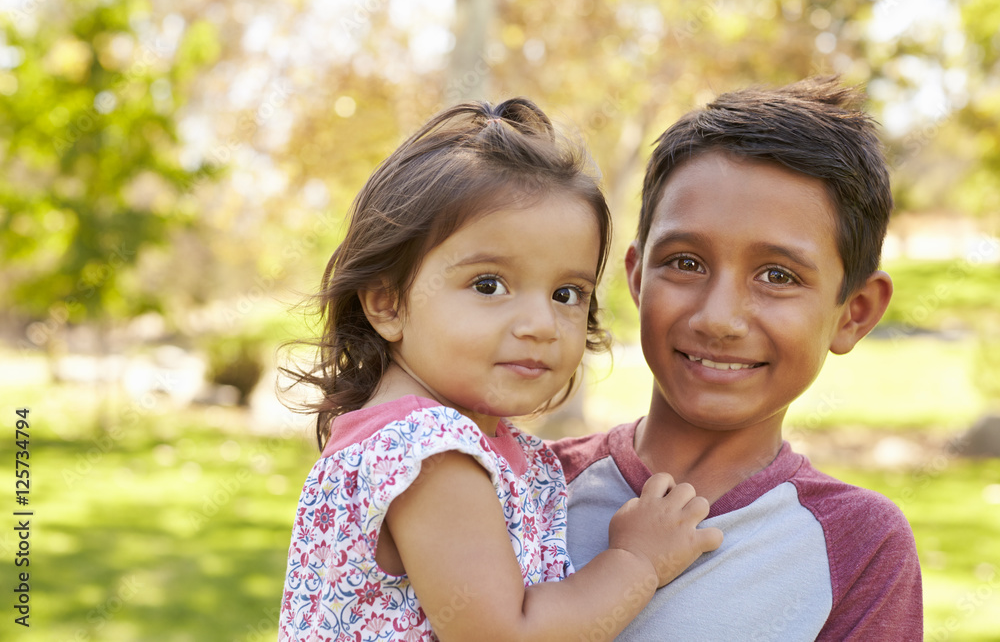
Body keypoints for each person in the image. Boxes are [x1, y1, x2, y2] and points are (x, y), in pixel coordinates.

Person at [278, 97, 723, 641]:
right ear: (388, 303)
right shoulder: (430, 454)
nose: (541, 323)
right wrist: (638, 561)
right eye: (489, 285)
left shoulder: (419, 436)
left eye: (566, 293)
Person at [552, 77, 923, 641]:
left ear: (855, 312)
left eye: (778, 275)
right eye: (686, 263)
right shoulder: (526, 487)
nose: (718, 318)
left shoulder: (861, 546)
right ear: (638, 276)